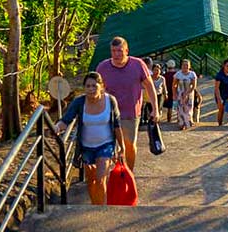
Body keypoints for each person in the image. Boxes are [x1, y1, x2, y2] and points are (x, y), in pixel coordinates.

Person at [54, 72, 125, 205]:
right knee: (91, 180)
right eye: (88, 86)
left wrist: (122, 147)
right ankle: (95, 206)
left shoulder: (110, 101)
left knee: (100, 179)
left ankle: (102, 210)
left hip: (106, 145)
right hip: (86, 147)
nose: (91, 89)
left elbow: (117, 125)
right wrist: (57, 127)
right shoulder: (79, 102)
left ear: (102, 86)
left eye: (94, 85)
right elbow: (66, 120)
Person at [96, 36, 159, 170]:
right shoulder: (103, 67)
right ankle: (113, 173)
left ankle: (129, 172)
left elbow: (149, 86)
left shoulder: (137, 64)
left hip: (130, 113)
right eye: (113, 51)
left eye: (120, 51)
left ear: (126, 50)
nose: (116, 54)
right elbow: (96, 90)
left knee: (129, 145)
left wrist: (155, 109)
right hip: (109, 114)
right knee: (109, 146)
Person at [173, 59, 197, 130]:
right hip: (180, 93)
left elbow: (194, 85)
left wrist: (187, 93)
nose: (185, 66)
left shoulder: (192, 74)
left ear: (189, 66)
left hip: (189, 93)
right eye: (184, 65)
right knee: (180, 108)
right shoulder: (178, 74)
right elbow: (174, 85)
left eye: (187, 65)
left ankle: (189, 121)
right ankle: (181, 122)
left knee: (188, 108)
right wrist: (174, 94)